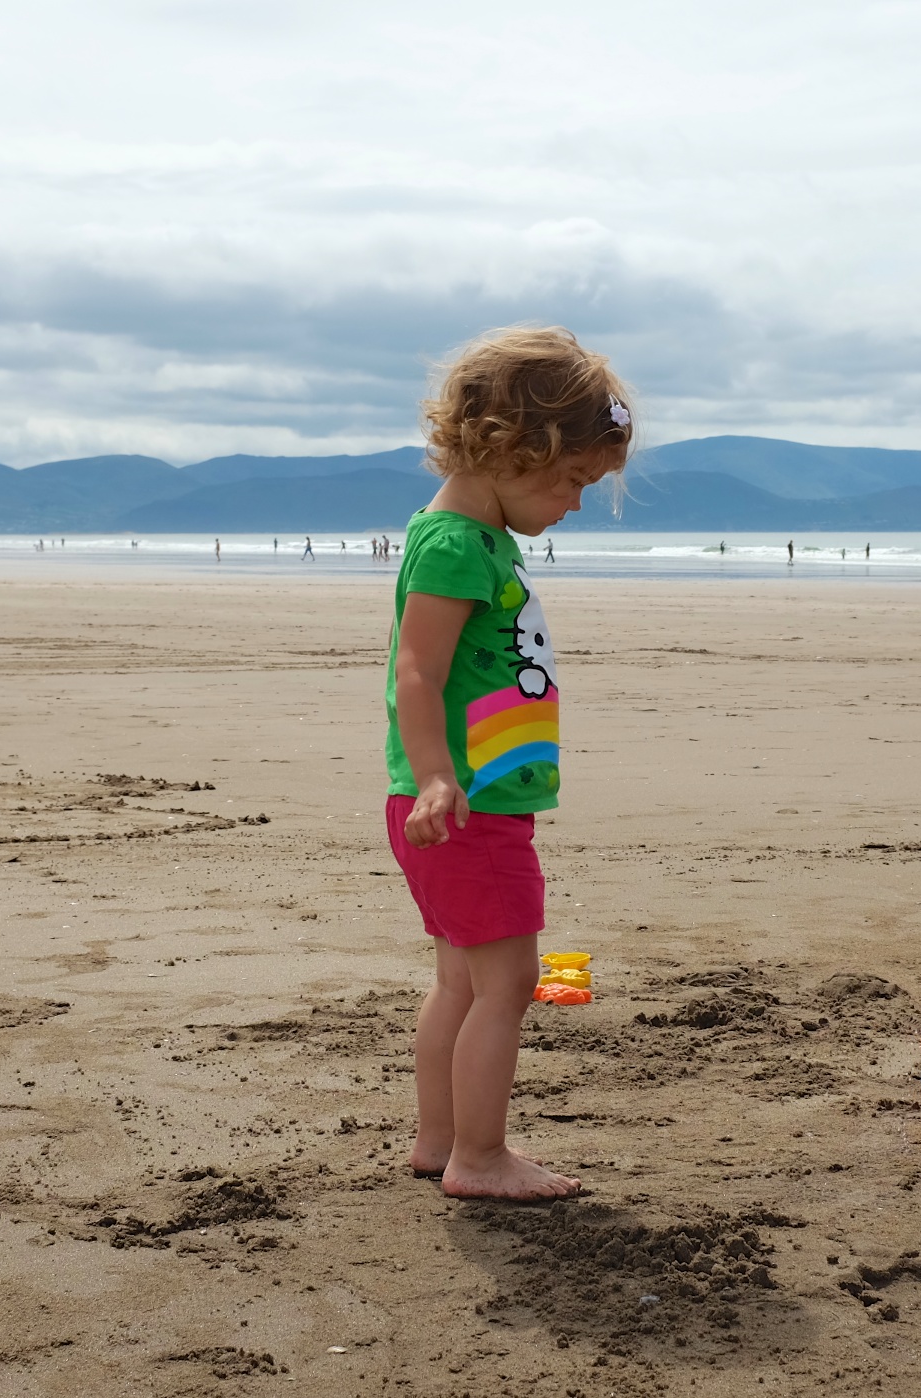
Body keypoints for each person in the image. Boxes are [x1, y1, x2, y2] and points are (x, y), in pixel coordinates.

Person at [385, 325, 631, 1201]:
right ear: (513, 447)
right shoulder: (456, 543)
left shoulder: (479, 541)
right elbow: (419, 669)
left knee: (460, 978)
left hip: (460, 802)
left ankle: (438, 1141)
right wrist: (437, 773)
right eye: (570, 480)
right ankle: (478, 1158)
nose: (572, 501)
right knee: (507, 982)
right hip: (463, 804)